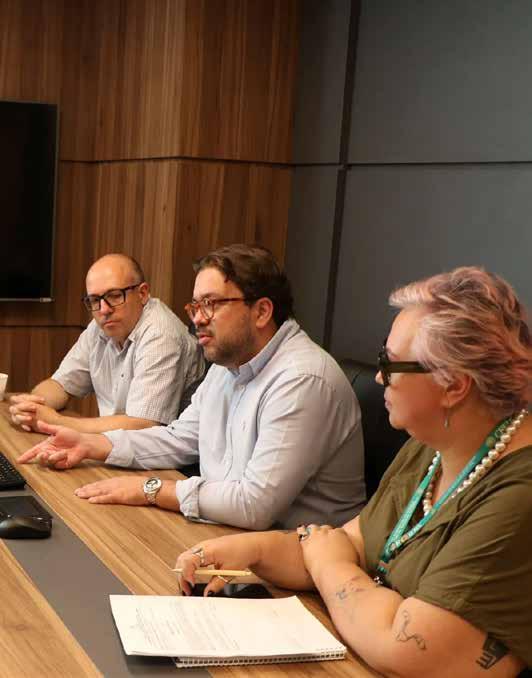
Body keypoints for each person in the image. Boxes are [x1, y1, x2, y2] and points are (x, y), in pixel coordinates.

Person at [175, 266, 532, 677]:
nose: (379, 376)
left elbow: (403, 648)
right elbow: (348, 542)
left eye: (390, 363)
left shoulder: (518, 492)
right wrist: (252, 551)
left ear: (454, 385)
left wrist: (333, 567)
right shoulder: (432, 446)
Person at [18, 244, 366, 530]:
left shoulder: (302, 379)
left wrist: (150, 489)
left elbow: (253, 506)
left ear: (261, 312)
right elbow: (179, 438)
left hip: (297, 560)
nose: (197, 318)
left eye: (211, 304)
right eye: (196, 305)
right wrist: (94, 445)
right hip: (227, 532)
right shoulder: (228, 363)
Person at [10, 253, 204, 433]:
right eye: (95, 300)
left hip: (169, 455)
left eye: (114, 296)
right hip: (118, 445)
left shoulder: (161, 334)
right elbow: (61, 385)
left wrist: (55, 422)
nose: (104, 309)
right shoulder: (100, 327)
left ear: (143, 293)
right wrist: (32, 406)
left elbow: (143, 426)